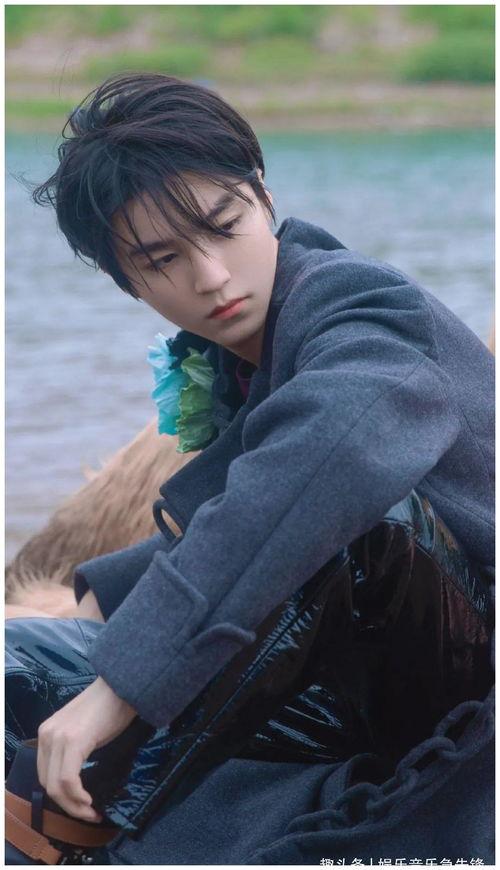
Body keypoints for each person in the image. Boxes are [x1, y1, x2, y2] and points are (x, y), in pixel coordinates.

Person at [28, 73, 494, 862]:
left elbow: (318, 471)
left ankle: (119, 802)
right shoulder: (248, 349)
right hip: (351, 669)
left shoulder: (364, 307)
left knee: (348, 513)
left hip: (465, 677)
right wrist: (98, 607)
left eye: (224, 226)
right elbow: (231, 517)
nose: (211, 275)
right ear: (126, 281)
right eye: (163, 258)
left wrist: (123, 685)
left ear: (264, 197)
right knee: (24, 664)